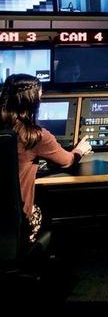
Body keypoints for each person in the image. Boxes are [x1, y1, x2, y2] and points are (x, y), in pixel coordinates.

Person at [0, 73, 91, 243]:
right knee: (54, 212)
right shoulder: (34, 136)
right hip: (18, 224)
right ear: (33, 103)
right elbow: (67, 161)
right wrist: (80, 149)